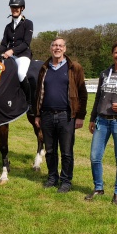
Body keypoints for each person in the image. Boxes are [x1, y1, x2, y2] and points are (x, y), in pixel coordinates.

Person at [34, 37, 88, 193]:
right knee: (50, 150)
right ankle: (52, 177)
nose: (57, 48)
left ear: (65, 49)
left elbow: (82, 94)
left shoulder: (74, 68)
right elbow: (38, 93)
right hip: (47, 116)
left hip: (67, 116)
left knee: (66, 151)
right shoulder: (44, 68)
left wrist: (80, 116)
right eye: (54, 45)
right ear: (50, 48)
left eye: (60, 46)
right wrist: (37, 115)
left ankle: (66, 181)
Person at [85, 39, 117, 205]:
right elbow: (97, 98)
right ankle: (98, 188)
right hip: (101, 121)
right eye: (116, 52)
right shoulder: (104, 73)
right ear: (112, 54)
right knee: (95, 156)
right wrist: (92, 118)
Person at [0, 0, 33, 111]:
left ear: (22, 8)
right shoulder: (8, 26)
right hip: (10, 56)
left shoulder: (28, 23)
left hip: (23, 55)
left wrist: (11, 51)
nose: (14, 9)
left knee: (21, 74)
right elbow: (4, 44)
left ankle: (29, 101)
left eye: (17, 7)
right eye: (12, 7)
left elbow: (26, 43)